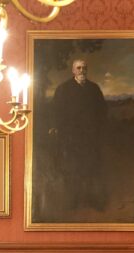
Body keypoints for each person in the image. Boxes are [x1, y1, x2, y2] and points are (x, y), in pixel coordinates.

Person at [48, 58, 108, 212]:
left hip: (90, 136)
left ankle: (91, 199)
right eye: (79, 68)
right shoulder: (63, 89)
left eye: (84, 68)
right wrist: (55, 127)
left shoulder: (94, 88)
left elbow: (102, 110)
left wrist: (100, 128)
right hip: (71, 137)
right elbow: (56, 110)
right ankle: (73, 201)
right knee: (72, 168)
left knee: (91, 168)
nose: (82, 71)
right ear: (73, 70)